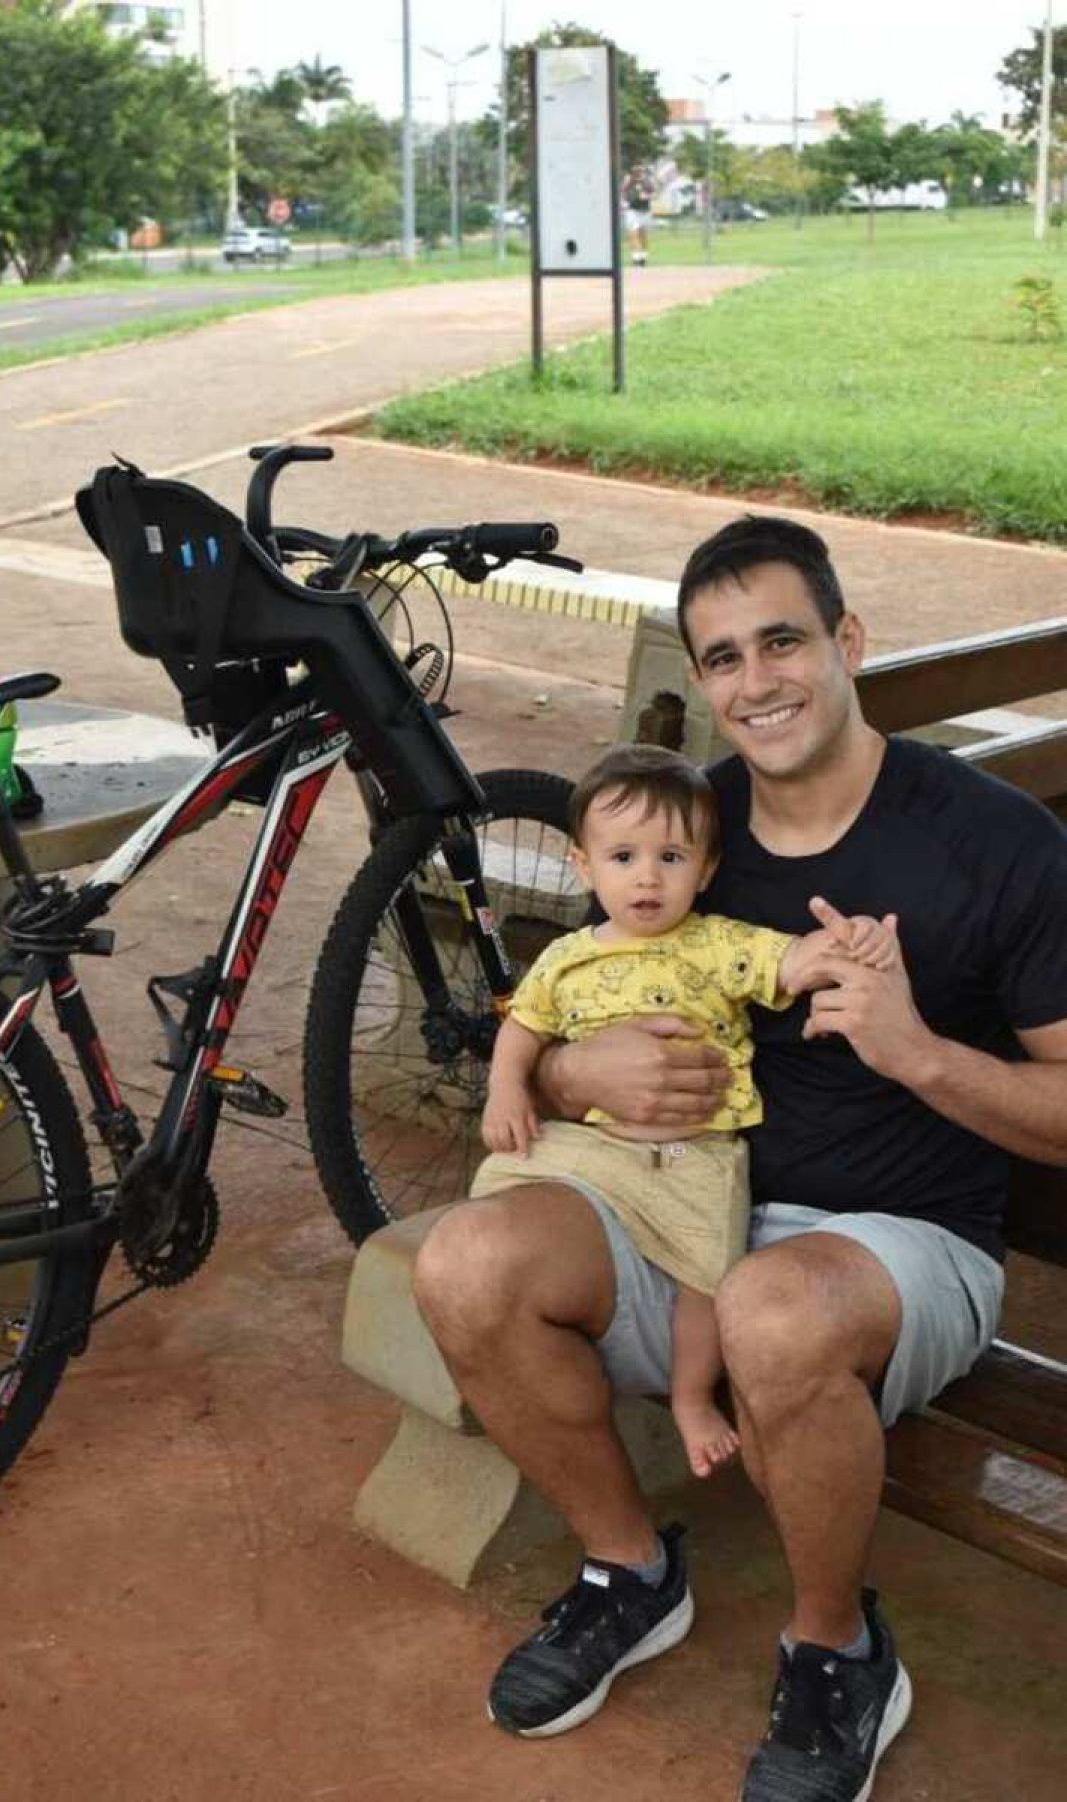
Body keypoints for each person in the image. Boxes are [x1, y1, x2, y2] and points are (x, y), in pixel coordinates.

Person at [412, 514, 1067, 1801]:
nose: (756, 681)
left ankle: (836, 1648)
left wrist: (919, 1052)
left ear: (847, 640)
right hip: (675, 1215)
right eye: (722, 657)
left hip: (898, 1246)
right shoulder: (685, 827)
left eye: (782, 641)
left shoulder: (994, 842)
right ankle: (628, 1567)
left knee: (775, 1309)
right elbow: (562, 1007)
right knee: (464, 1261)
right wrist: (569, 1073)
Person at [478, 741, 896, 1479]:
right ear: (583, 865)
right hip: (594, 1149)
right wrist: (505, 1089)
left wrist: (845, 943)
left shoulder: (715, 943)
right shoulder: (566, 957)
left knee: (708, 1276)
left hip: (692, 1154)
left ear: (704, 870)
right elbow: (523, 1030)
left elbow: (792, 961)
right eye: (624, 857)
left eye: (671, 858)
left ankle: (691, 1396)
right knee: (495, 1190)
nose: (647, 876)